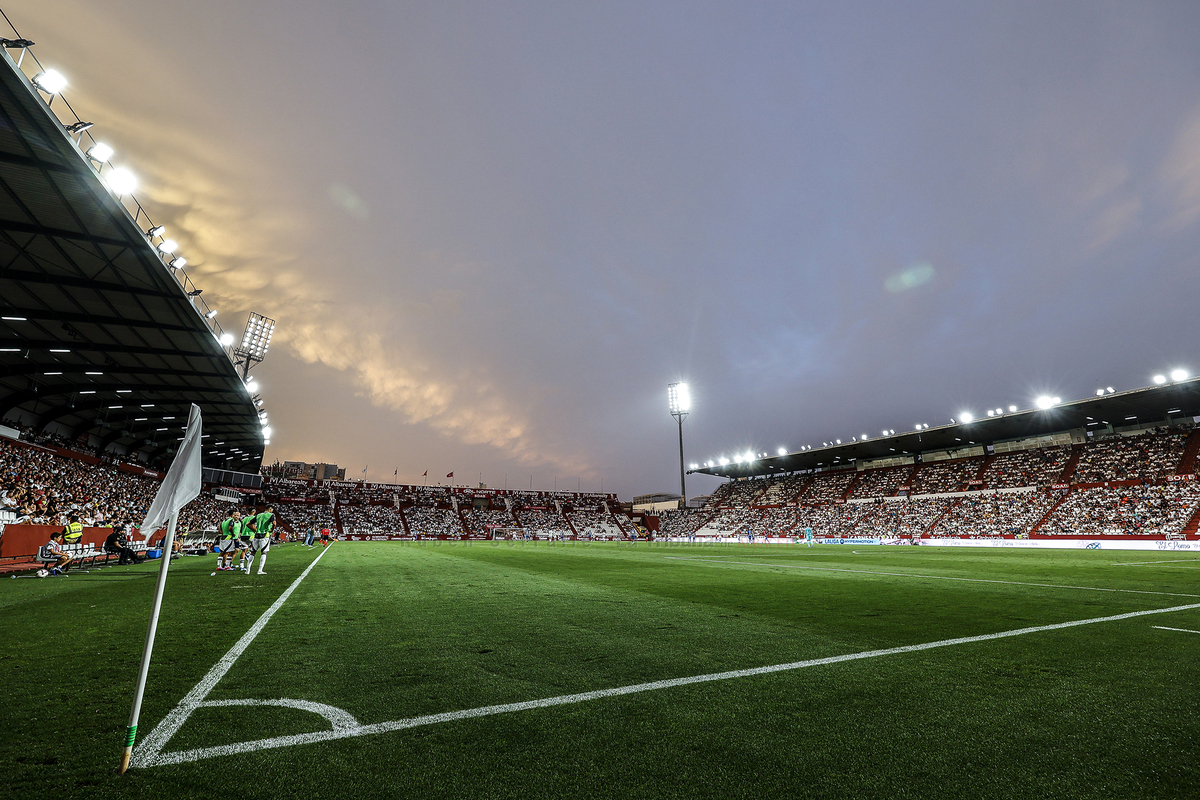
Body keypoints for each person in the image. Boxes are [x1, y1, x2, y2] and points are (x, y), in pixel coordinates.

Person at [245, 505, 275, 575]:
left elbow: (248, 524)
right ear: (270, 509)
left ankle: (247, 570)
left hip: (256, 535)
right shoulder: (271, 515)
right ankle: (260, 570)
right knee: (264, 552)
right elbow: (274, 523)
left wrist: (255, 530)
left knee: (252, 552)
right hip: (265, 535)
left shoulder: (259, 515)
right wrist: (272, 530)